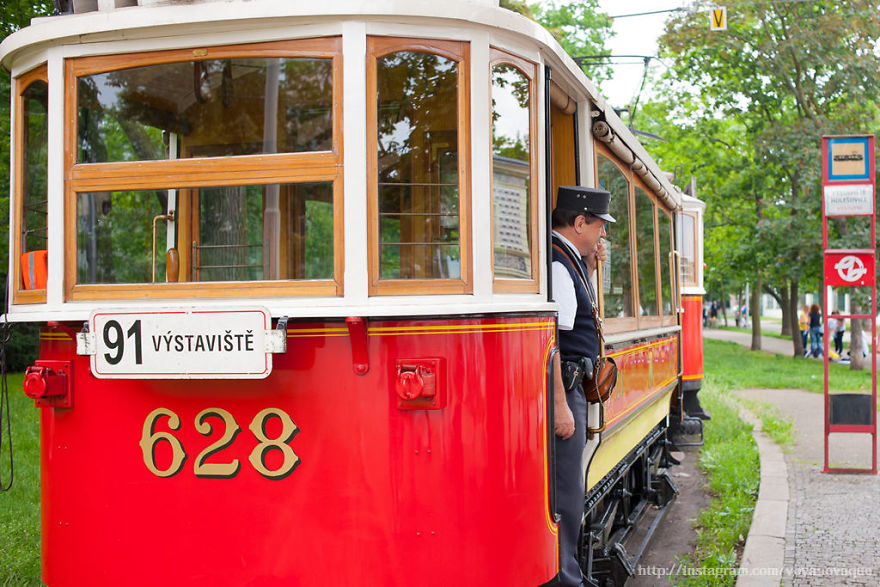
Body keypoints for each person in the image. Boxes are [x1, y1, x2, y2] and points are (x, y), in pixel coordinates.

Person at [551, 186, 615, 587]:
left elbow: (576, 312)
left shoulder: (568, 259)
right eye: (599, 226)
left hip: (572, 384)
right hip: (565, 386)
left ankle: (568, 572)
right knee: (567, 491)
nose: (602, 234)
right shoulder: (559, 264)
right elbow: (552, 342)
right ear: (579, 223)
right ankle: (565, 577)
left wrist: (590, 265)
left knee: (571, 486)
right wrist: (560, 404)